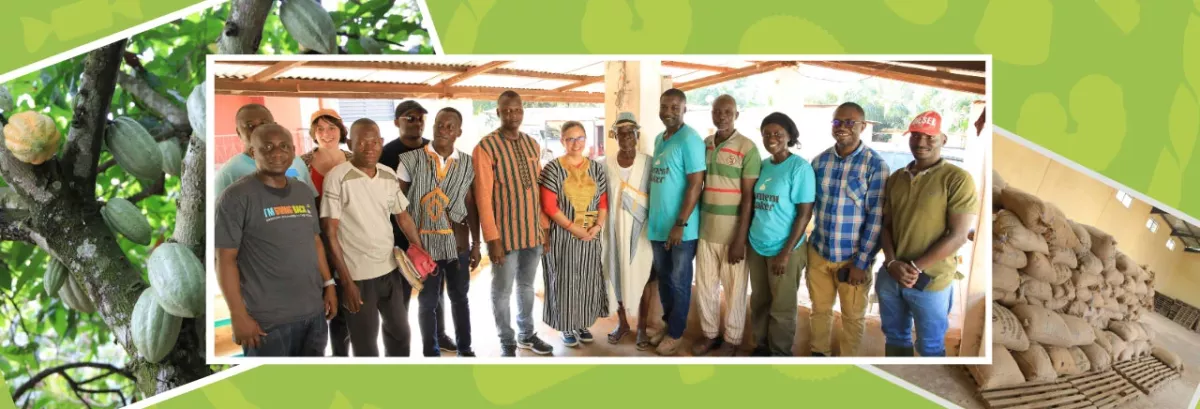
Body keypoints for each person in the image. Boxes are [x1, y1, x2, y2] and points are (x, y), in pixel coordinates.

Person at [215, 123, 337, 357]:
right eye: (267, 147)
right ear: (253, 152)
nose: (277, 153)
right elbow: (224, 260)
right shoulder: (236, 197)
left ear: (293, 150)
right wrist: (238, 315)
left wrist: (328, 284)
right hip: (267, 323)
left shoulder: (302, 191)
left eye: (283, 146)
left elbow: (315, 241)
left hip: (313, 314)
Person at [321, 118, 426, 357]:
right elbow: (330, 233)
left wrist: (419, 251)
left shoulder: (388, 175)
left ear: (381, 143)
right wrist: (346, 283)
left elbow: (403, 217)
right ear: (350, 143)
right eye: (361, 142)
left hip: (390, 270)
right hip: (357, 276)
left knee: (400, 333)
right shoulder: (338, 178)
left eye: (374, 142)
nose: (369, 148)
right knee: (365, 344)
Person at [877, 111, 978, 357]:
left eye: (929, 137)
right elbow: (885, 226)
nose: (921, 143)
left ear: (943, 139)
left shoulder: (957, 179)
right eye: (915, 136)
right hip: (891, 276)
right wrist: (891, 263)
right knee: (895, 336)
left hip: (931, 281)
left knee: (930, 345)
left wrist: (913, 268)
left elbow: (958, 235)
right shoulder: (896, 178)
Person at [473, 90, 555, 357]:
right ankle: (506, 338)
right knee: (502, 290)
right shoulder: (485, 147)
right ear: (497, 112)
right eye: (506, 110)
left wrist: (544, 228)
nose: (512, 115)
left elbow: (538, 188)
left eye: (517, 110)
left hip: (532, 232)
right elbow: (482, 196)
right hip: (505, 236)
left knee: (527, 287)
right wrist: (492, 239)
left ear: (522, 111)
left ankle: (527, 334)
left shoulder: (532, 144)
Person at [396, 107, 481, 357]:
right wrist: (409, 245)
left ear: (458, 132)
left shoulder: (467, 163)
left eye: (449, 126)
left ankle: (465, 349)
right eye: (439, 125)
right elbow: (398, 205)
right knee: (427, 303)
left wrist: (476, 244)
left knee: (460, 299)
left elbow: (469, 204)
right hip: (424, 247)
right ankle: (430, 353)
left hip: (457, 245)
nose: (443, 130)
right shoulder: (410, 160)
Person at [807, 102, 890, 357]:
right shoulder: (819, 162)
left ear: (863, 126)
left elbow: (876, 217)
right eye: (837, 122)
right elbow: (809, 207)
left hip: (853, 260)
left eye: (849, 122)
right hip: (819, 253)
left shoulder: (875, 165)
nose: (842, 127)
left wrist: (862, 262)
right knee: (819, 310)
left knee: (853, 317)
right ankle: (818, 356)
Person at [381, 100, 458, 354]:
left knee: (435, 293)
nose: (416, 123)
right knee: (399, 296)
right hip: (397, 236)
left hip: (431, 234)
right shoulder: (385, 153)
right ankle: (399, 349)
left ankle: (439, 335)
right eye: (409, 118)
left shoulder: (433, 148)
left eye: (420, 118)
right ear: (397, 122)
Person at [692, 95, 761, 356]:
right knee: (706, 287)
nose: (721, 116)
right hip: (706, 230)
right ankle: (710, 335)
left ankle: (732, 340)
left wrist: (740, 239)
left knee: (735, 290)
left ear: (736, 115)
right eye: (717, 111)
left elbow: (749, 198)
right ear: (711, 113)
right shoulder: (704, 145)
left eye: (727, 112)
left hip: (733, 234)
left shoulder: (748, 148)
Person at [746, 113, 815, 357]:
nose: (771, 138)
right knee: (760, 301)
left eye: (778, 134)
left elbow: (804, 215)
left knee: (782, 307)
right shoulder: (763, 165)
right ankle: (761, 347)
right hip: (757, 245)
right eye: (766, 134)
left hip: (785, 249)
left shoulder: (799, 168)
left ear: (789, 136)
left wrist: (785, 253)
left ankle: (780, 354)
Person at [646, 88, 706, 356]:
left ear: (684, 109)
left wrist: (680, 223)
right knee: (666, 282)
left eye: (674, 107)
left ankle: (676, 333)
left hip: (681, 230)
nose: (668, 112)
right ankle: (669, 326)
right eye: (664, 106)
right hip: (659, 227)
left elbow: (696, 184)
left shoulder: (690, 139)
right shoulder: (661, 138)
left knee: (680, 282)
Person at [539, 121, 609, 347]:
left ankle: (582, 323)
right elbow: (549, 207)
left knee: (586, 280)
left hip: (591, 236)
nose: (576, 143)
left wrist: (597, 227)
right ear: (562, 141)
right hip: (563, 236)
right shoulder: (552, 168)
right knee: (564, 280)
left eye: (580, 138)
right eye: (570, 139)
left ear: (586, 140)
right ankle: (566, 325)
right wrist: (574, 228)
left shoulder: (596, 168)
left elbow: (603, 203)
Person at [298, 108, 354, 357]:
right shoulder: (302, 162)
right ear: (313, 133)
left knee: (351, 296)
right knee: (326, 298)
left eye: (331, 128)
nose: (326, 133)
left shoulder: (355, 159)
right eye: (319, 129)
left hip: (352, 237)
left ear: (341, 130)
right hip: (316, 240)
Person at [600, 112, 658, 349]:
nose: (625, 138)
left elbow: (658, 196)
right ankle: (623, 323)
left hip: (642, 232)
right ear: (615, 136)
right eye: (620, 133)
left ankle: (642, 328)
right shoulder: (605, 164)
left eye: (630, 133)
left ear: (637, 135)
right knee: (617, 276)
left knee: (644, 278)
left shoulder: (650, 162)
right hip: (613, 231)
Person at [214, 103, 315, 198]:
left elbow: (311, 199)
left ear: (274, 126)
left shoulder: (297, 162)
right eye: (250, 126)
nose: (258, 130)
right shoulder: (229, 172)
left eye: (264, 123)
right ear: (239, 132)